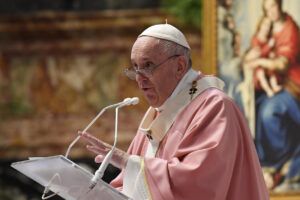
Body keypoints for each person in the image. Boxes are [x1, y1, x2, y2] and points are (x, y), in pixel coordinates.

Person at [80, 23, 269, 199]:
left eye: (148, 66)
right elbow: (131, 185)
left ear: (179, 66)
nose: (139, 78)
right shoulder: (156, 113)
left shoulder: (215, 107)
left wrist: (126, 161)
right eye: (135, 67)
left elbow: (198, 185)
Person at [246, 0, 300, 192]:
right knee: (255, 107)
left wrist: (260, 59)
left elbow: (282, 65)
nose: (271, 12)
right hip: (272, 83)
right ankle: (263, 161)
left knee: (269, 112)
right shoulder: (267, 29)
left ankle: (279, 158)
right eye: (267, 9)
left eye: (273, 7)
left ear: (280, 5)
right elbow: (252, 53)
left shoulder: (290, 29)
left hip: (291, 85)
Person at [244, 16, 282, 98]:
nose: (267, 28)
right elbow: (258, 54)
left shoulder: (268, 38)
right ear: (260, 24)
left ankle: (274, 86)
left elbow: (270, 52)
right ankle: (268, 90)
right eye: (265, 25)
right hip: (257, 64)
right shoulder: (255, 38)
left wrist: (272, 53)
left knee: (272, 69)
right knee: (260, 73)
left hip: (265, 61)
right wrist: (268, 46)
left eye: (269, 26)